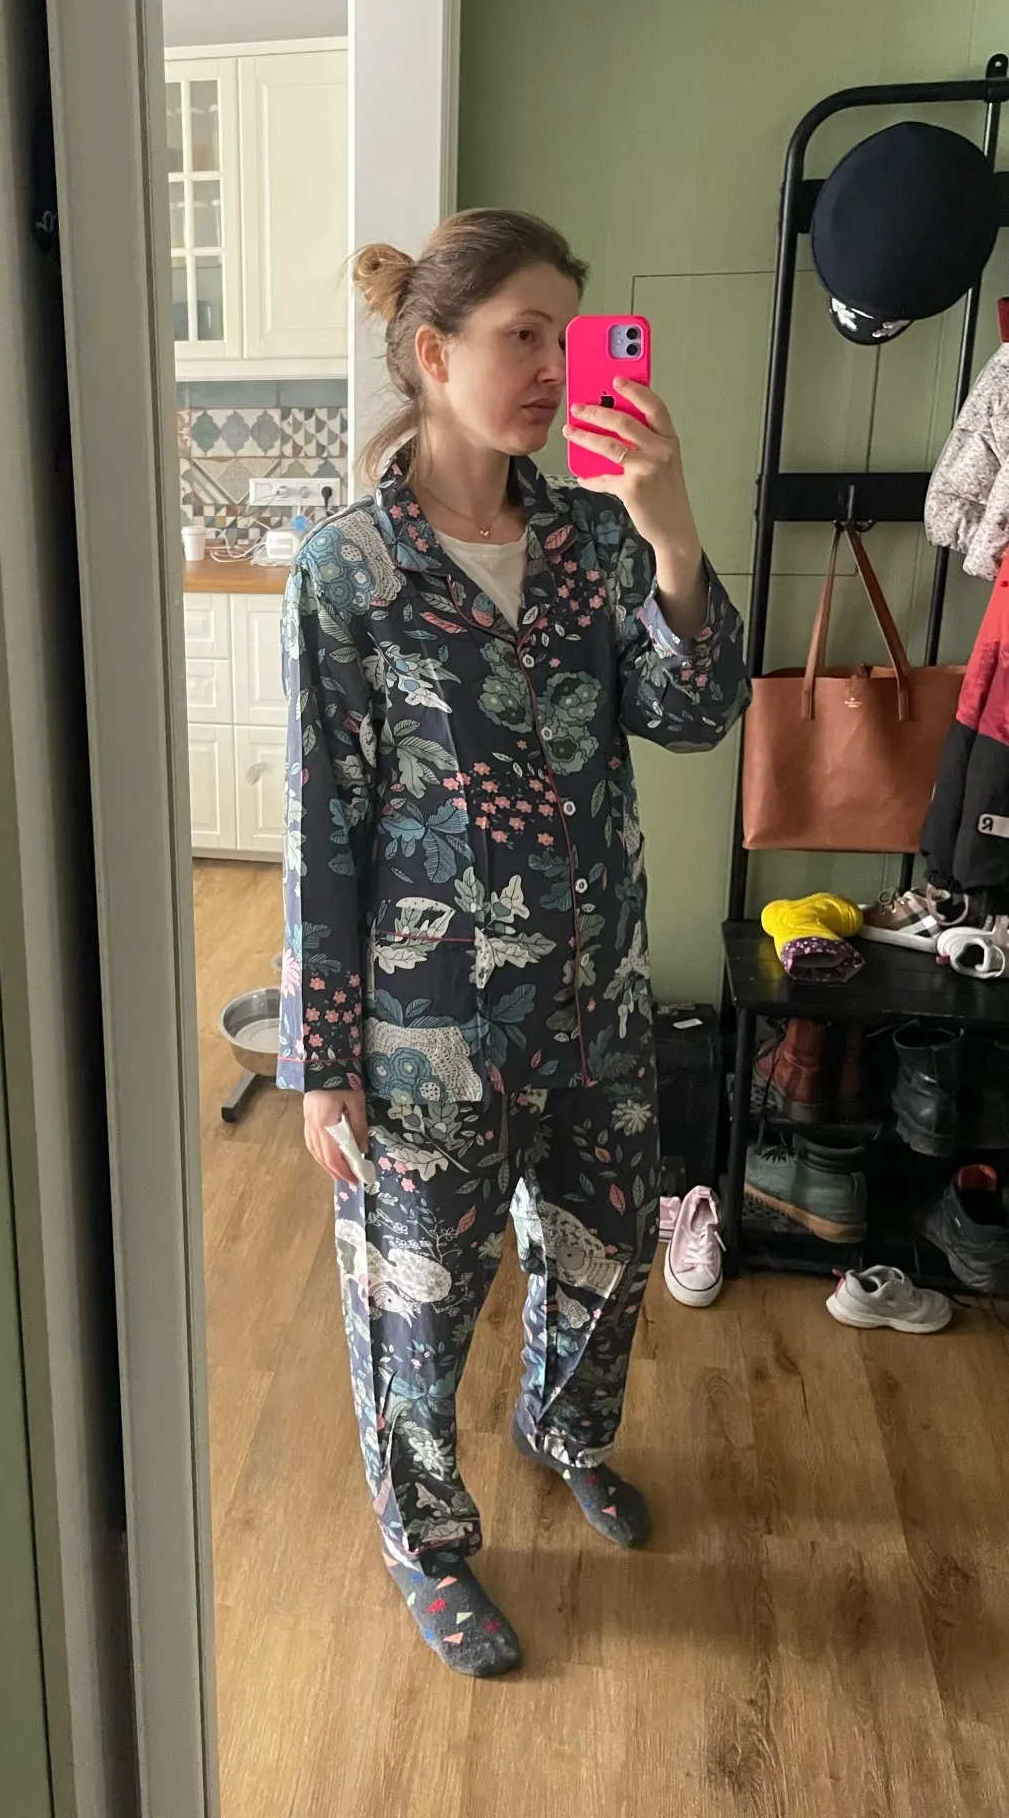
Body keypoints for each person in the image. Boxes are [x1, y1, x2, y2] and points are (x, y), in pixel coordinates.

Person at [275, 208, 749, 1677]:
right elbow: (322, 826)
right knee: (417, 1304)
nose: (553, 365)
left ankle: (564, 1431)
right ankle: (426, 1542)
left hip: (596, 1002)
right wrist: (323, 1062)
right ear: (434, 353)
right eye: (521, 334)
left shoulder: (595, 538)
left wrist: (672, 530)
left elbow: (694, 712)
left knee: (604, 1262)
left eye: (567, 334)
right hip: (428, 1035)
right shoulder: (348, 573)